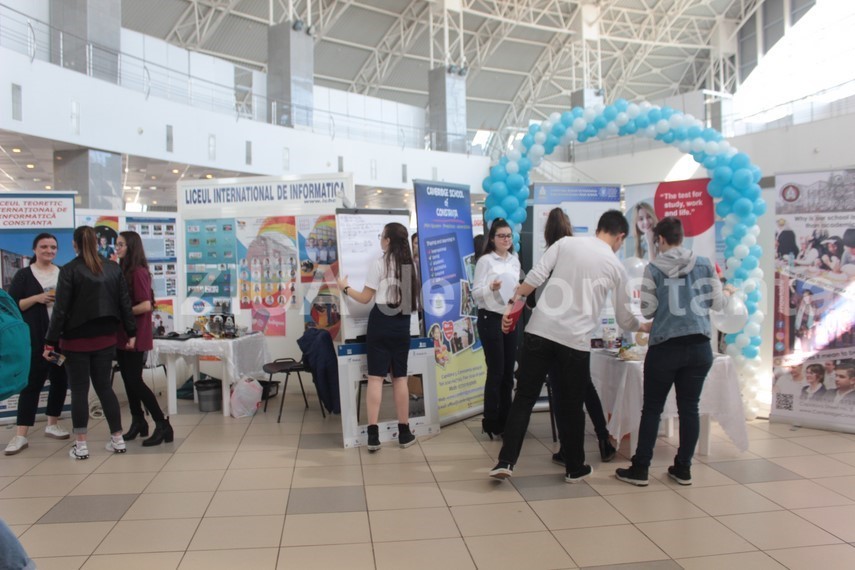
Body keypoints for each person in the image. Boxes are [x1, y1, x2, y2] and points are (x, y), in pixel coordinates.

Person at [489, 210, 648, 483]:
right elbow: (625, 319)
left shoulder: (566, 243)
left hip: (539, 331)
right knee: (572, 406)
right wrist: (644, 326)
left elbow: (535, 277)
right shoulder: (616, 267)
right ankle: (575, 467)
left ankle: (506, 461)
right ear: (620, 236)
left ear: (599, 228)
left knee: (524, 398)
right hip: (574, 343)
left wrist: (511, 308)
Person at [615, 216, 728, 487]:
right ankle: (683, 468)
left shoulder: (653, 268)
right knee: (690, 408)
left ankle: (641, 469)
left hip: (665, 348)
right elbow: (718, 303)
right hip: (699, 346)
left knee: (652, 409)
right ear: (681, 237)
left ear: (661, 239)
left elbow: (647, 311)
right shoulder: (704, 264)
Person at [44, 226, 137, 460]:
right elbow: (124, 303)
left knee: (79, 390)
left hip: (74, 341)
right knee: (105, 388)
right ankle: (118, 439)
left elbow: (60, 310)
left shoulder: (69, 270)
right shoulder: (113, 268)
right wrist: (131, 332)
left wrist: (50, 341)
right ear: (97, 243)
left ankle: (81, 445)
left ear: (74, 244)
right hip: (106, 338)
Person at [538, 208, 617, 464]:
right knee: (585, 387)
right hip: (580, 333)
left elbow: (540, 298)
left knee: (561, 393)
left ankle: (567, 448)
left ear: (547, 233)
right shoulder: (582, 253)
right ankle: (603, 438)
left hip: (554, 334)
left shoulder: (553, 256)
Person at [337, 222, 420, 451]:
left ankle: (373, 437)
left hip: (380, 322)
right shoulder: (409, 265)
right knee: (400, 378)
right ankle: (404, 433)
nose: (380, 240)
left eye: (382, 236)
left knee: (375, 378)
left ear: (388, 240)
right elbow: (407, 303)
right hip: (401, 324)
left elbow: (365, 298)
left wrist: (344, 288)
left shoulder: (379, 264)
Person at [4, 233, 69, 456]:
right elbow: (14, 306)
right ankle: (21, 434)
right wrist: (37, 298)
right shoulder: (24, 275)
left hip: (58, 341)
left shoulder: (63, 273)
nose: (49, 251)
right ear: (34, 249)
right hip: (35, 341)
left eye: (53, 247)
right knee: (32, 384)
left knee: (60, 380)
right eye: (44, 247)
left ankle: (52, 423)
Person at [115, 231, 173, 447]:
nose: (117, 248)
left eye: (121, 244)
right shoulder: (122, 270)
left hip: (136, 335)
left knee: (134, 381)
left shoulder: (138, 272)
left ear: (131, 247)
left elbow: (146, 305)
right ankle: (138, 420)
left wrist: (121, 312)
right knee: (128, 380)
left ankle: (162, 423)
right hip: (122, 334)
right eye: (116, 244)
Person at [472, 218, 521, 438]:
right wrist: (491, 287)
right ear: (492, 238)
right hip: (490, 317)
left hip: (509, 316)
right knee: (496, 371)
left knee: (509, 372)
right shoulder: (485, 261)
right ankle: (491, 420)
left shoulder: (514, 260)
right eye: (501, 236)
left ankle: (506, 419)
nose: (506, 239)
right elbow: (475, 294)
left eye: (509, 236)